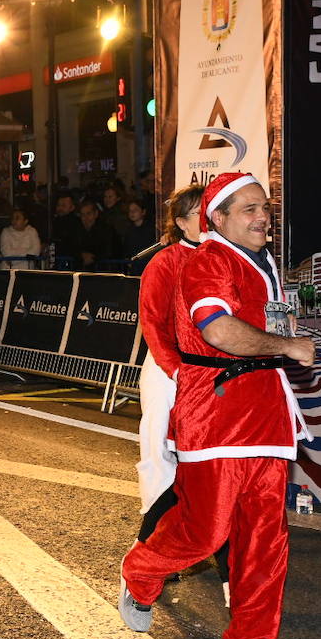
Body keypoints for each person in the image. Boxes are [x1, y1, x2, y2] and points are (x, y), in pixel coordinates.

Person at [119, 172, 314, 639]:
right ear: (217, 218)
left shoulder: (264, 263)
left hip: (268, 410)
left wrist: (288, 336)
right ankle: (140, 572)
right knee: (205, 532)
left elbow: (267, 322)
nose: (262, 216)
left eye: (265, 208)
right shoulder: (207, 261)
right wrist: (287, 346)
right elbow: (217, 328)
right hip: (217, 412)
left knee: (265, 537)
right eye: (248, 209)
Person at [129, 185, 232, 603]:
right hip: (169, 370)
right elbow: (153, 324)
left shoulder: (225, 257)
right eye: (198, 212)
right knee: (159, 453)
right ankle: (155, 548)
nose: (206, 218)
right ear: (182, 221)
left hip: (212, 372)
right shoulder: (165, 261)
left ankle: (214, 551)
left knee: (212, 463)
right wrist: (178, 371)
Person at [122, 198, 160, 272]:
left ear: (143, 212)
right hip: (134, 267)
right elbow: (126, 249)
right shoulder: (128, 230)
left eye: (135, 210)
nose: (132, 213)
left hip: (149, 266)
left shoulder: (152, 229)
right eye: (130, 211)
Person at [76, 200, 117, 268]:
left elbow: (110, 250)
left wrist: (94, 258)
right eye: (82, 214)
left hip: (103, 270)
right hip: (81, 270)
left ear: (96, 214)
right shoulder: (77, 229)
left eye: (88, 213)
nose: (86, 218)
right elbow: (72, 247)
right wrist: (81, 255)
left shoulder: (106, 229)